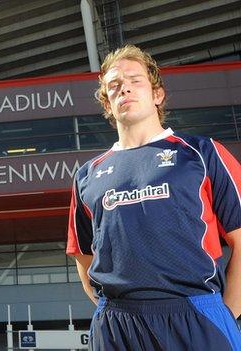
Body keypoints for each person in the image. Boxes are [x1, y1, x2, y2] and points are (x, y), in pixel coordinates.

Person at [66, 44, 241, 350]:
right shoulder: (87, 175)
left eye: (135, 81)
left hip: (195, 314)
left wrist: (226, 314)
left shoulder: (202, 153)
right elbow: (83, 255)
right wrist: (111, 311)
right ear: (107, 103)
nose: (125, 90)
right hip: (117, 325)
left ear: (157, 94)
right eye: (115, 86)